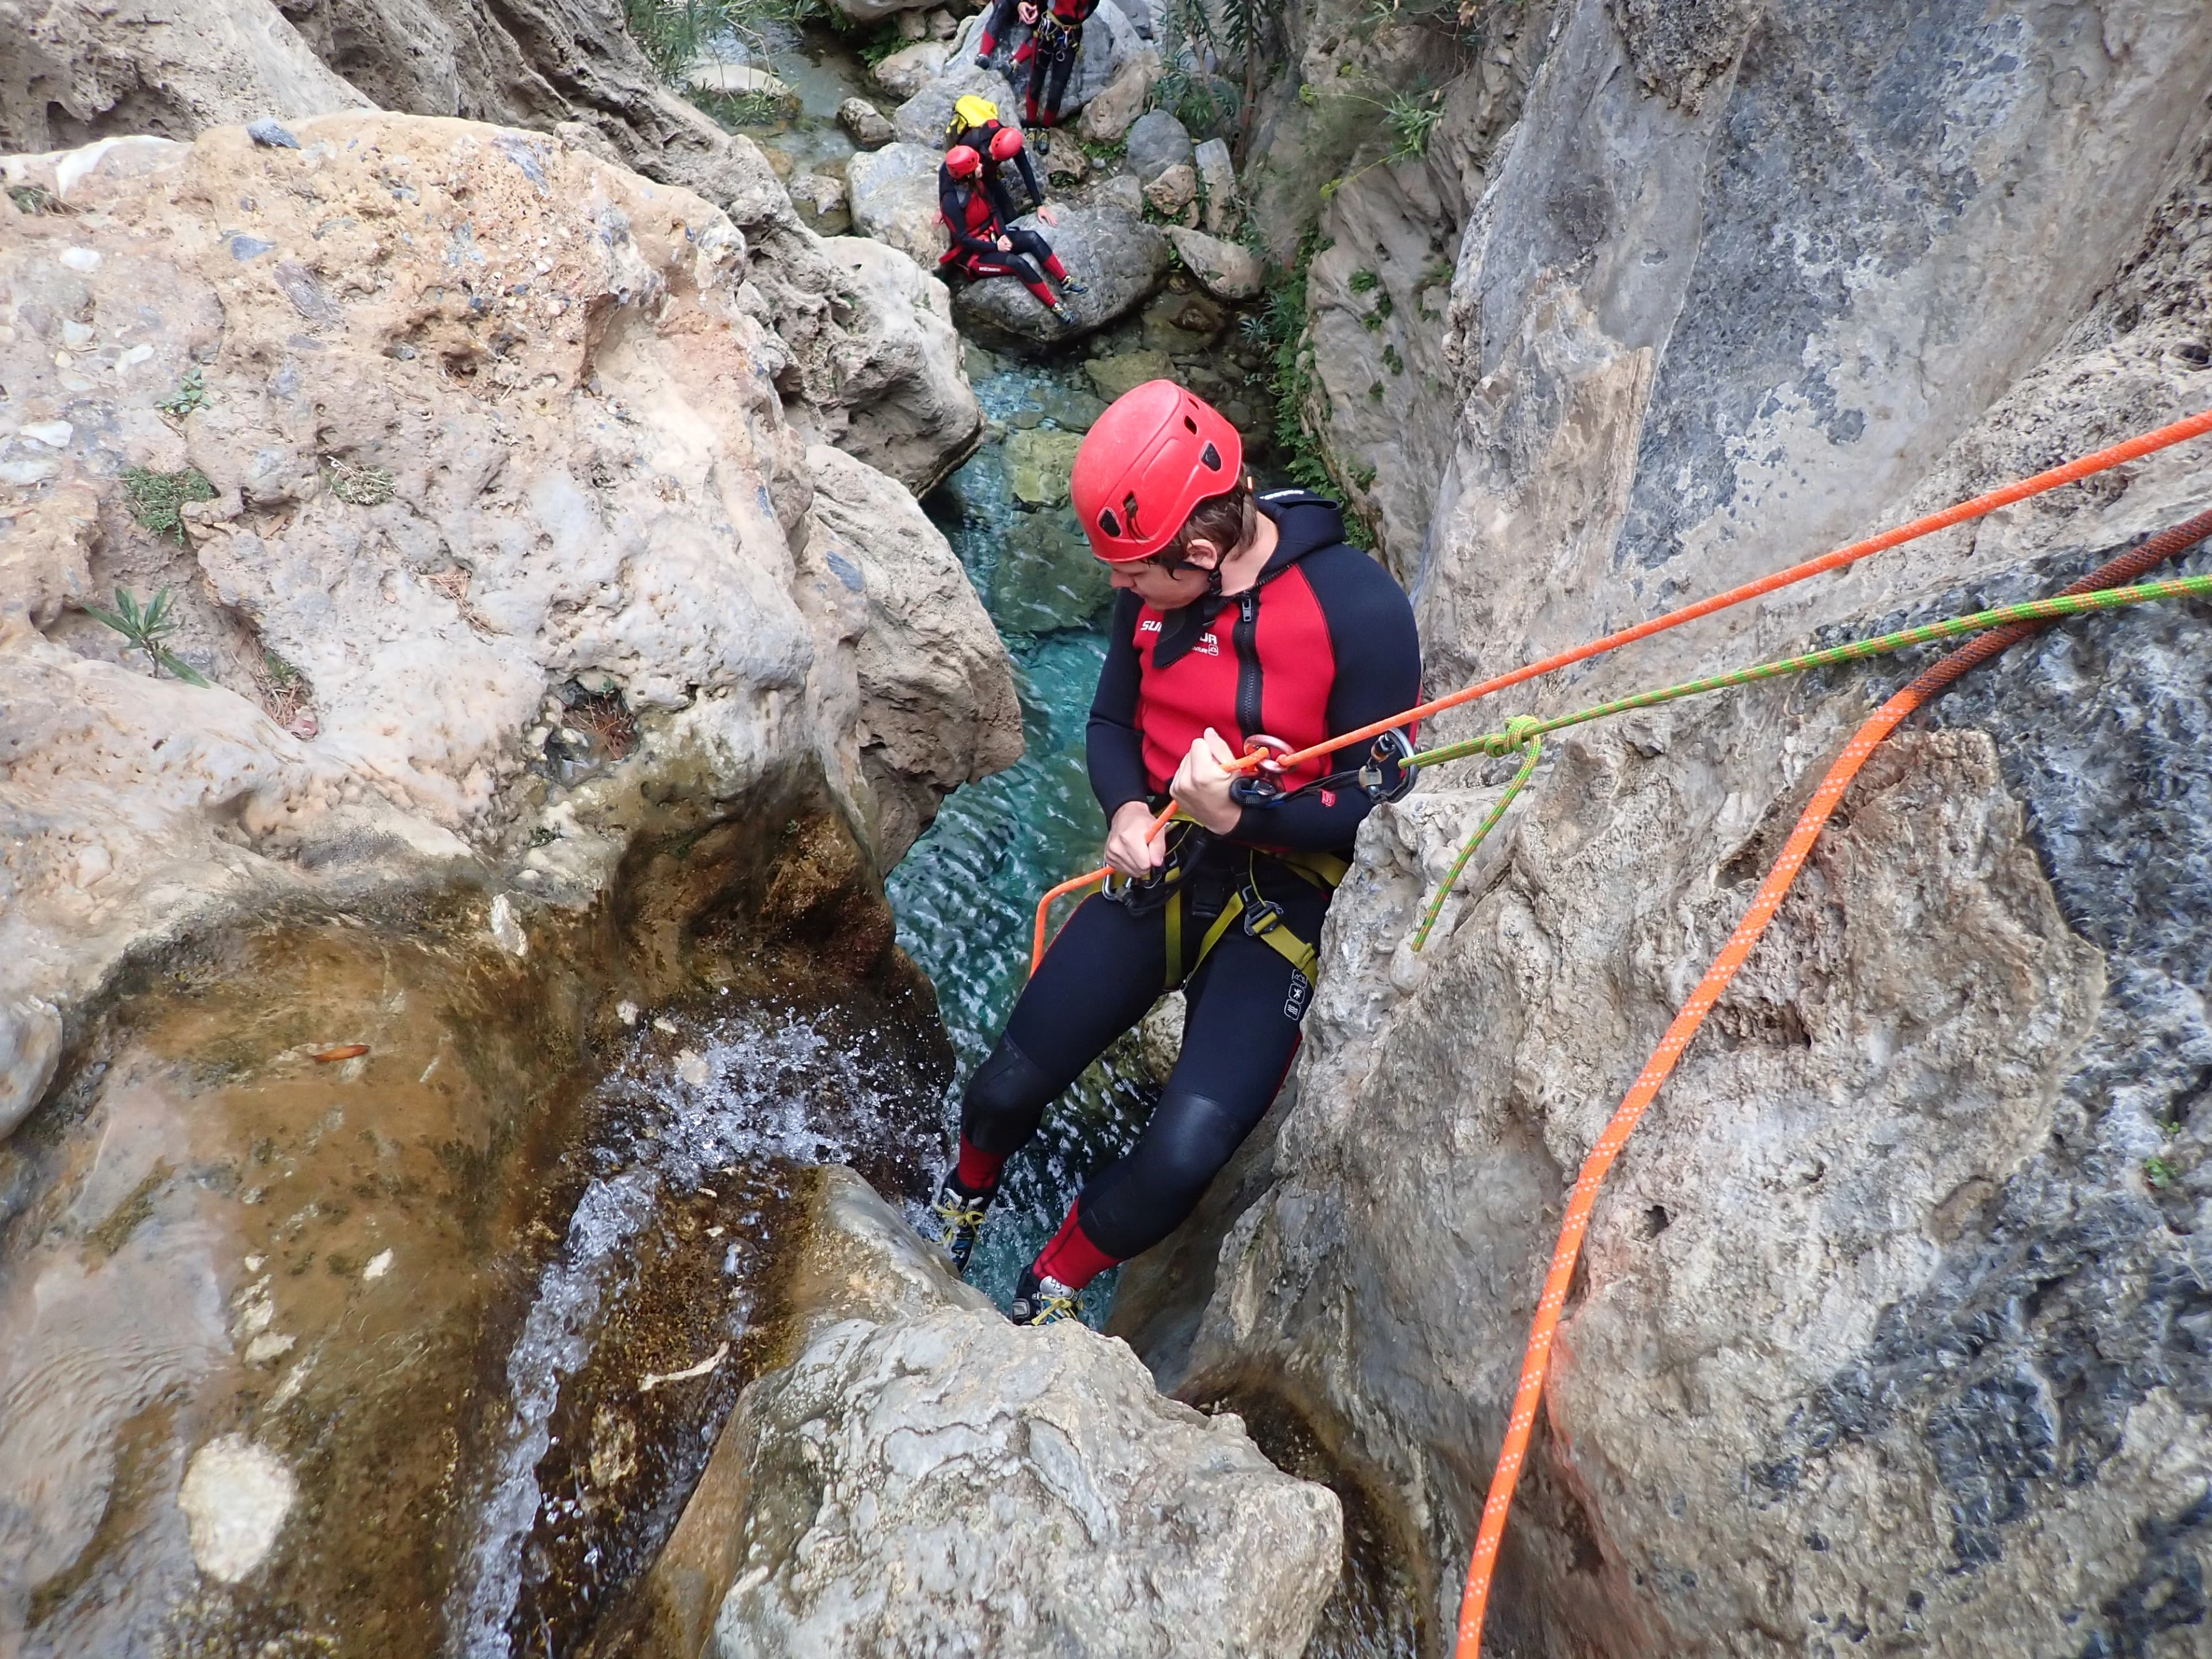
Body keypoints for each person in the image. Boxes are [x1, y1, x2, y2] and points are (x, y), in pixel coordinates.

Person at [928, 380, 1423, 1325]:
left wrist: (1245, 819)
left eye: (1134, 575)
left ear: (1199, 551)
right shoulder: (1160, 585)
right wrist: (1122, 811)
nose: (1119, 590)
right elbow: (1115, 717)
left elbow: (1375, 806)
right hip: (1163, 858)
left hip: (1283, 901)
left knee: (1184, 1152)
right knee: (1003, 1087)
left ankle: (1054, 1279)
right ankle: (967, 1197)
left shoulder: (1357, 610)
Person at [937, 143, 1077, 317]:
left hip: (993, 236)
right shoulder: (951, 202)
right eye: (976, 166)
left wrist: (1003, 235)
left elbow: (994, 209)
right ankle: (1055, 307)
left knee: (1032, 238)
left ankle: (1065, 280)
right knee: (1017, 263)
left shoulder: (978, 185)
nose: (981, 166)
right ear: (967, 174)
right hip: (976, 255)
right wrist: (997, 248)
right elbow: (964, 240)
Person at [1015, 0, 1100, 130]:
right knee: (1036, 81)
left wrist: (1077, 20)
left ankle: (1046, 128)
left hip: (1071, 35)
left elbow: (1092, 5)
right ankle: (1030, 123)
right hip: (1049, 28)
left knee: (1057, 89)